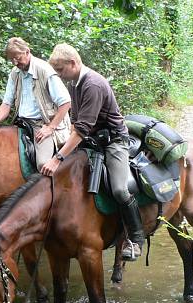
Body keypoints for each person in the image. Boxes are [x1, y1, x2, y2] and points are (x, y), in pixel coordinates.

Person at [41, 43, 144, 261]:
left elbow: (82, 128)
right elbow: (76, 123)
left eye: (60, 70)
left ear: (73, 63)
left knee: (118, 189)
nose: (59, 75)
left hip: (113, 142)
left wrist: (58, 158)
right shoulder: (74, 84)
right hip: (91, 141)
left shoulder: (93, 84)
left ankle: (136, 238)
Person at [0, 37, 71, 170]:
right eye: (11, 59)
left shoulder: (44, 70)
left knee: (43, 164)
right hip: (22, 123)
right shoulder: (15, 73)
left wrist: (50, 127)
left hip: (42, 124)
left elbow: (65, 102)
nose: (15, 62)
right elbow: (6, 104)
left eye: (17, 58)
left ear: (27, 51)